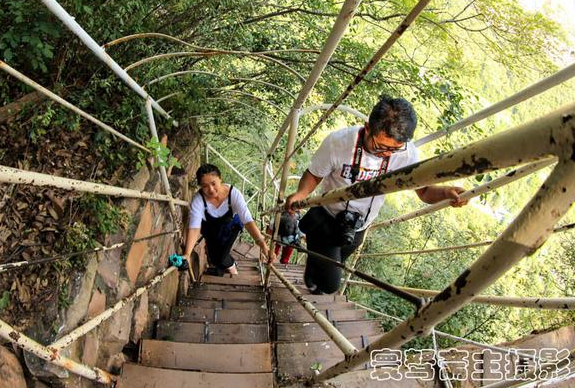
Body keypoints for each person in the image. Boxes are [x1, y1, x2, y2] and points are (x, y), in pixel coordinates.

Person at [285, 96, 468, 294]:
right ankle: (314, 270)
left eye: (394, 149)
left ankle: (314, 268)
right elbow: (314, 174)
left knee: (335, 262)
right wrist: (301, 193)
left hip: (358, 226)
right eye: (381, 146)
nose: (387, 154)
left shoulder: (406, 154)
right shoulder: (339, 143)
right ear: (367, 128)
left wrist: (446, 193)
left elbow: (423, 191)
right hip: (327, 217)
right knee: (330, 285)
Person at [183, 163, 271, 275]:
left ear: (220, 179)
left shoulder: (233, 194)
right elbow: (194, 228)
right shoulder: (198, 200)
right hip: (210, 229)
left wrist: (262, 244)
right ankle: (223, 265)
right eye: (205, 186)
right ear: (200, 186)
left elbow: (248, 221)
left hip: (230, 228)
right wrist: (187, 254)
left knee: (220, 257)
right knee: (213, 257)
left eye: (213, 183)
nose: (211, 189)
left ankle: (231, 266)